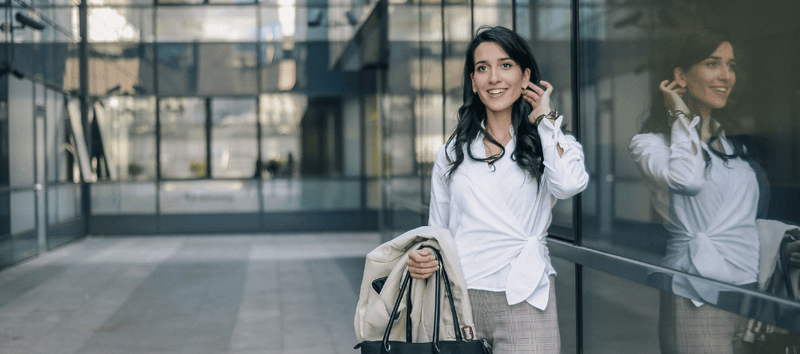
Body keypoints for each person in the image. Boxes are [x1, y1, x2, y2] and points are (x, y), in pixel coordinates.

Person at [407, 26, 589, 353]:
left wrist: (545, 119)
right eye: (482, 68)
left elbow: (569, 184)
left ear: (525, 76)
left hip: (526, 294)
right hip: (460, 297)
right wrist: (424, 256)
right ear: (473, 82)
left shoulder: (551, 142)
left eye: (505, 65)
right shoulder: (452, 152)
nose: (494, 78)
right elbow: (438, 230)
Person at [629, 27, 768, 354]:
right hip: (696, 290)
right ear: (680, 76)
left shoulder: (731, 144)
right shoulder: (650, 144)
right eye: (712, 63)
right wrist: (680, 113)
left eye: (731, 65)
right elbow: (687, 180)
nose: (726, 76)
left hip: (750, 290)